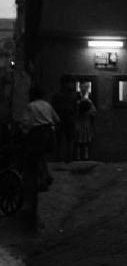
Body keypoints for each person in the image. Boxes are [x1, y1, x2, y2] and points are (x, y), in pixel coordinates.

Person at [18, 86, 60, 231]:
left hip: (37, 134)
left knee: (33, 155)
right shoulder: (47, 105)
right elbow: (56, 119)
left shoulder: (31, 106)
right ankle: (45, 175)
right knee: (40, 155)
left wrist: (24, 131)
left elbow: (25, 123)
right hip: (49, 134)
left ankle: (43, 177)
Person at [51, 74, 78, 163]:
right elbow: (53, 108)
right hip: (61, 118)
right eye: (69, 83)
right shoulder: (58, 95)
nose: (71, 85)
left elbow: (75, 108)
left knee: (69, 139)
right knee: (60, 139)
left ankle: (68, 158)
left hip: (68, 118)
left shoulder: (73, 95)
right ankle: (59, 157)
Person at [74, 85, 96, 161]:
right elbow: (93, 112)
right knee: (83, 141)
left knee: (80, 141)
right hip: (84, 123)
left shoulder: (79, 102)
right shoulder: (86, 102)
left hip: (81, 123)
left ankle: (80, 156)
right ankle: (82, 156)